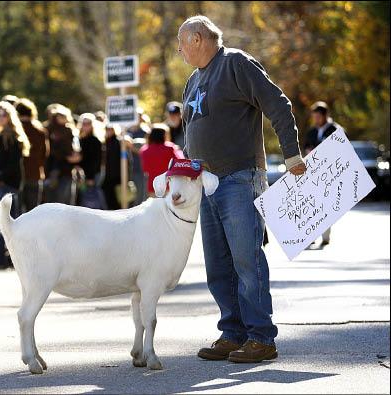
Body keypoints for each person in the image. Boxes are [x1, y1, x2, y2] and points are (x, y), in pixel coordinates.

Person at [177, 15, 306, 363]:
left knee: (246, 260)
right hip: (206, 183)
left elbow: (278, 104)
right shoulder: (192, 80)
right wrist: (186, 174)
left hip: (239, 178)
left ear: (200, 39)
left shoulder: (236, 63)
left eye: (182, 43)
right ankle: (232, 333)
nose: (179, 50)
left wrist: (292, 153)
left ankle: (261, 337)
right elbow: (190, 134)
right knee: (218, 265)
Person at [0, 101, 30, 268]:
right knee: (12, 224)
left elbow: (12, 164)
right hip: (13, 185)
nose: (0, 118)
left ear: (10, 117)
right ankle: (12, 258)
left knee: (0, 221)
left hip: (7, 185)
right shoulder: (11, 134)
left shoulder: (8, 136)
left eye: (3, 114)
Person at [303, 101, 345, 247]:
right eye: (314, 117)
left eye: (318, 117)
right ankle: (311, 235)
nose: (316, 120)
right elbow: (306, 147)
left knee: (326, 205)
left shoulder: (335, 130)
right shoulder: (312, 131)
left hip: (330, 175)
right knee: (313, 205)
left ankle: (325, 236)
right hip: (314, 175)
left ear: (325, 115)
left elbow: (341, 150)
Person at [16, 98, 49, 212]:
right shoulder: (40, 131)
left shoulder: (16, 131)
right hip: (35, 174)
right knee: (33, 212)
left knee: (17, 212)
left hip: (17, 176)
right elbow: (45, 154)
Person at [45, 104, 80, 205]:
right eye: (59, 116)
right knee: (54, 201)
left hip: (68, 170)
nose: (62, 119)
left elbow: (75, 147)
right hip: (53, 170)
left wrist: (75, 157)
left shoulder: (70, 130)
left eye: (64, 116)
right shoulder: (49, 130)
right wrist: (65, 156)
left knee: (67, 201)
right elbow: (50, 151)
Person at [139, 123, 184, 197]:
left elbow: (145, 169)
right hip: (170, 185)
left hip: (153, 186)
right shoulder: (170, 148)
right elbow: (179, 163)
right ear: (163, 135)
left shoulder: (144, 150)